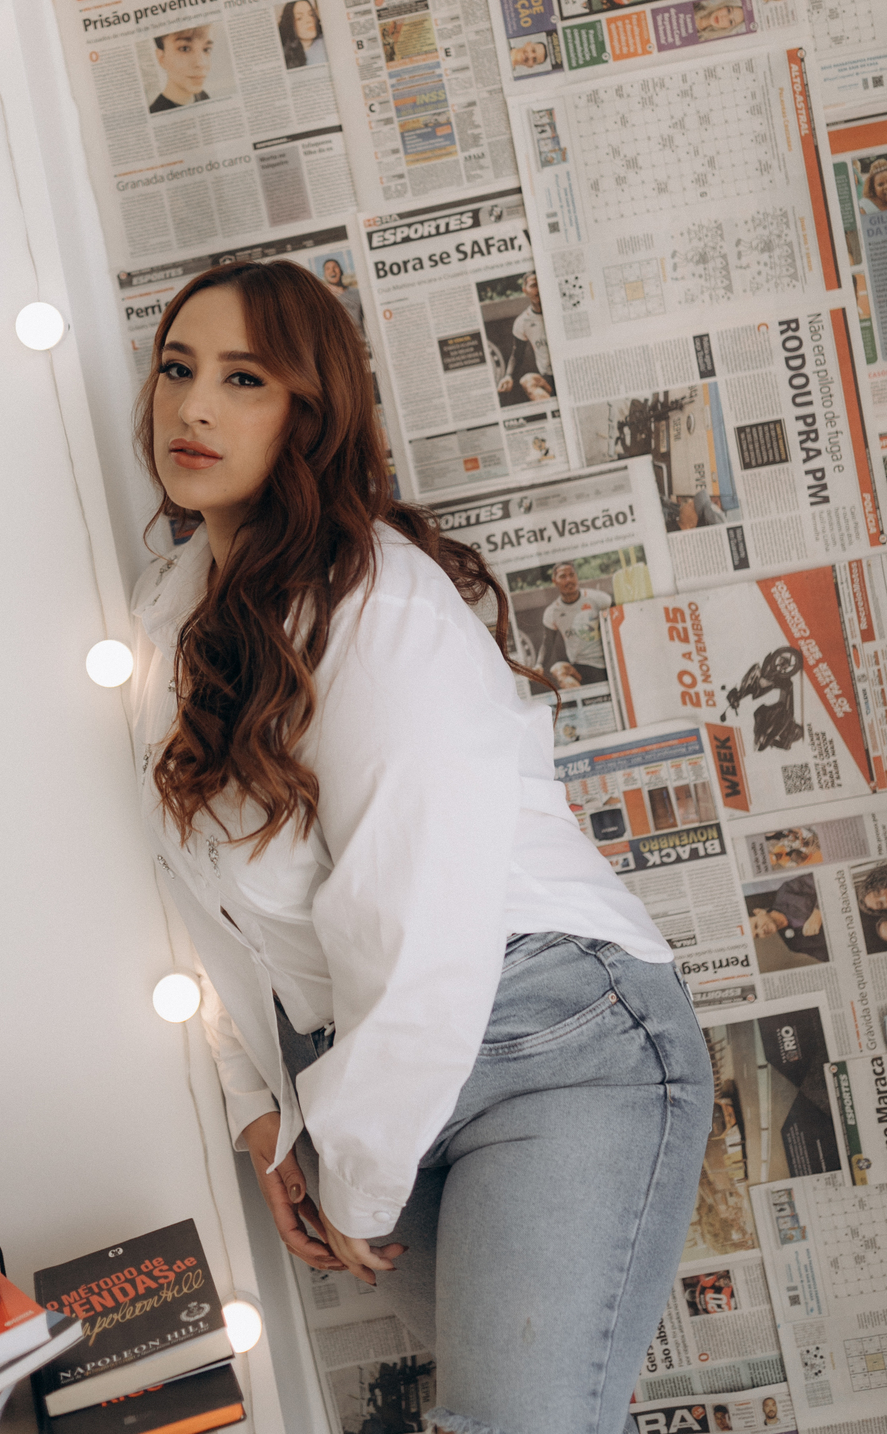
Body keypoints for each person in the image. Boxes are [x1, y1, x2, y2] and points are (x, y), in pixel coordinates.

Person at [129, 260, 712, 1434]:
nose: (191, 407)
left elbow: (422, 921)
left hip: (547, 1045)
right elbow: (208, 900)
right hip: (368, 1069)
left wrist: (350, 1166)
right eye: (178, 369)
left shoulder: (375, 605)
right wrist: (264, 1110)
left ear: (311, 413)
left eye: (243, 379)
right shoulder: (171, 618)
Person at [538, 562, 612, 684]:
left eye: (572, 575)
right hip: (580, 666)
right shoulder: (552, 612)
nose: (569, 580)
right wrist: (539, 665)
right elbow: (547, 643)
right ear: (554, 581)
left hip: (608, 661)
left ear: (577, 576)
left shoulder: (599, 599)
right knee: (557, 669)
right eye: (563, 576)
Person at [498, 273, 554, 400]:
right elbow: (517, 355)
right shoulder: (523, 322)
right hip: (548, 377)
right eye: (533, 285)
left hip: (570, 370)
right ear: (525, 291)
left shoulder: (560, 310)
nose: (538, 289)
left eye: (540, 284)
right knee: (527, 381)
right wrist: (508, 376)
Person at [750, 876, 826, 962]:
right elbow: (828, 956)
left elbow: (824, 878)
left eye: (756, 925)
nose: (761, 932)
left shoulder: (787, 891)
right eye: (757, 935)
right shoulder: (792, 944)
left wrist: (818, 912)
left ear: (759, 912)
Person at [149, 26, 214, 112]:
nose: (201, 63)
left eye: (206, 49)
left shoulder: (203, 96)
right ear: (161, 58)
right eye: (185, 49)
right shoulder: (156, 112)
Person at [279, 0, 326, 68]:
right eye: (299, 18)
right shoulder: (283, 54)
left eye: (311, 14)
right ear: (290, 24)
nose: (309, 20)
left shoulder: (325, 42)